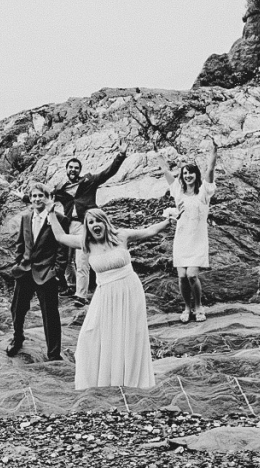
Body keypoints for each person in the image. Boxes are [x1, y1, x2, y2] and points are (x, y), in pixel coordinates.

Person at [48, 206, 174, 389]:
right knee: (89, 335)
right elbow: (60, 237)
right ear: (87, 227)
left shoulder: (121, 236)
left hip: (129, 290)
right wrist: (51, 213)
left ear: (105, 222)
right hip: (104, 293)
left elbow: (149, 231)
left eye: (98, 220)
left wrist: (168, 220)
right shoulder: (87, 244)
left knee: (129, 334)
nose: (95, 225)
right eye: (90, 222)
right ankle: (102, 379)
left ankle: (130, 380)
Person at [152, 138, 218, 323]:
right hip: (181, 240)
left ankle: (198, 306)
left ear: (196, 175)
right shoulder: (178, 191)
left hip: (197, 240)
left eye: (191, 173)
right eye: (185, 173)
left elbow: (210, 170)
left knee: (192, 275)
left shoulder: (204, 191)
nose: (188, 176)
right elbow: (165, 170)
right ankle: (187, 307)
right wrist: (158, 154)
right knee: (182, 277)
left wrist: (214, 151)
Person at [53, 142, 128, 304]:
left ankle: (81, 295)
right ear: (66, 170)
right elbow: (44, 198)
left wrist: (120, 156)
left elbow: (107, 173)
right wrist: (25, 197)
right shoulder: (61, 189)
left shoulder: (88, 182)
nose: (73, 170)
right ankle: (72, 286)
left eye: (76, 167)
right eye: (70, 167)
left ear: (79, 170)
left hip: (84, 225)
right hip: (68, 226)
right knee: (65, 260)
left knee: (81, 261)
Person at [7, 183, 70, 359]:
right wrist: (18, 263)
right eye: (34, 196)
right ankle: (17, 338)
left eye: (40, 196)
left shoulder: (59, 219)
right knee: (17, 309)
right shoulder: (26, 218)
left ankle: (53, 353)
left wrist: (57, 271)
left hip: (46, 272)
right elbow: (21, 243)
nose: (36, 199)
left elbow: (62, 249)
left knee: (50, 315)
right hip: (25, 270)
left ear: (48, 198)